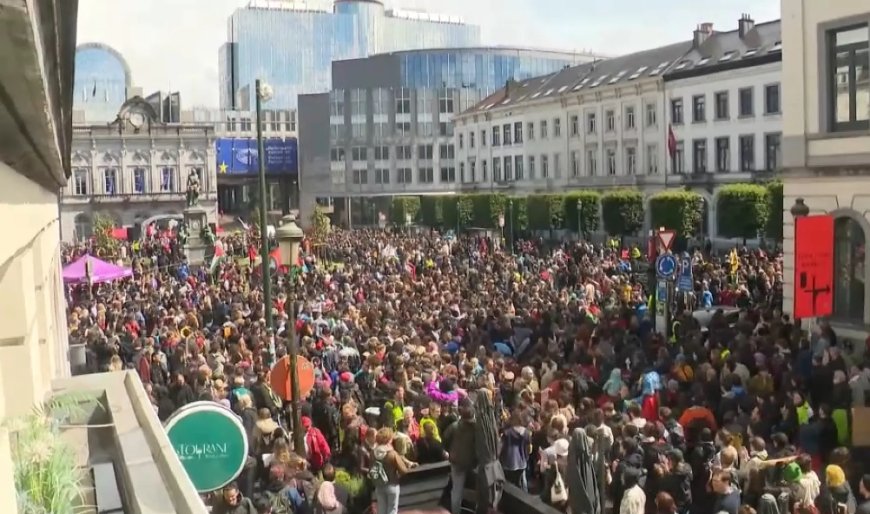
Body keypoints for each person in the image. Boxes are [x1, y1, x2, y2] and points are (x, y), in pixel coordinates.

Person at [443, 398, 477, 514]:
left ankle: (456, 511)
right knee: (475, 489)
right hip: (473, 463)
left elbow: (445, 440)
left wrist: (450, 451)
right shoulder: (477, 428)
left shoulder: (454, 426)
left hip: (456, 461)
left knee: (456, 490)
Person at [370, 427, 414, 514]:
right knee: (392, 510)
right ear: (389, 440)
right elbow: (403, 470)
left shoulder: (372, 453)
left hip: (379, 484)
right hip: (392, 484)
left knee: (381, 510)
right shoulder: (392, 454)